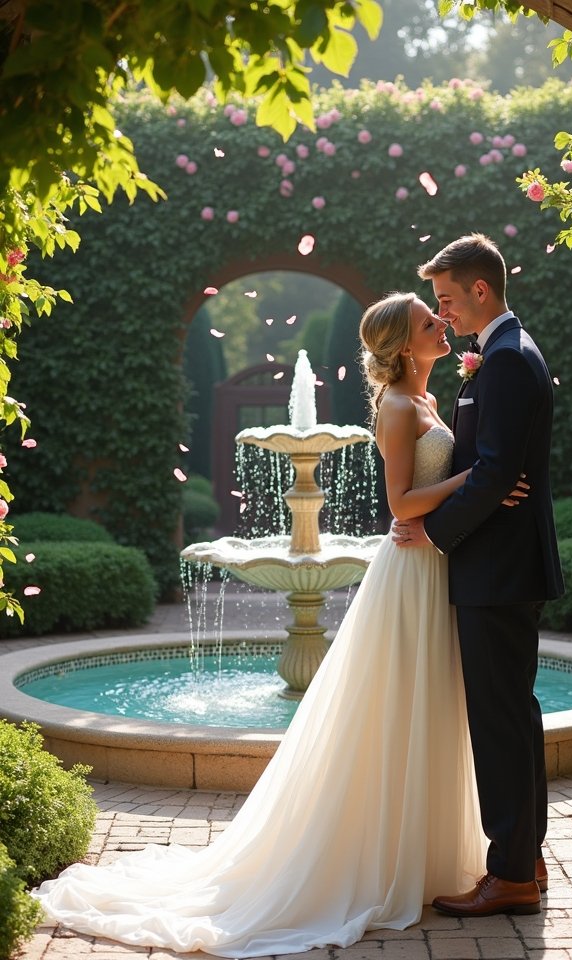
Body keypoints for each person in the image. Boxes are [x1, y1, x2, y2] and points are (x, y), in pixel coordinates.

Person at [33, 292, 525, 957]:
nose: (443, 325)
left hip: (437, 566)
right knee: (395, 708)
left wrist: (475, 487)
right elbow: (400, 503)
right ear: (403, 346)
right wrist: (476, 478)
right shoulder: (399, 409)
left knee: (432, 707)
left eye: (439, 318)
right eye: (427, 323)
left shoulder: (435, 401)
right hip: (409, 575)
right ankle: (378, 863)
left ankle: (431, 856)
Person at [392, 234, 564, 918]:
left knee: (500, 722)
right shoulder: (501, 357)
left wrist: (431, 534)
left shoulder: (506, 363)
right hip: (503, 566)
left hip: (497, 569)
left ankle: (510, 875)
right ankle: (526, 858)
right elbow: (492, 469)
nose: (445, 313)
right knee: (513, 717)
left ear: (480, 291)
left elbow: (496, 473)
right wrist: (487, 484)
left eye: (447, 300)